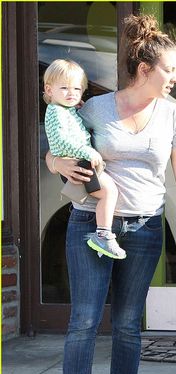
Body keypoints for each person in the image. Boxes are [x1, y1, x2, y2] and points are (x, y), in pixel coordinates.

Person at [45, 14, 176, 374]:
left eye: (175, 70)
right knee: (83, 320)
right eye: (168, 70)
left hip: (145, 227)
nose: (174, 78)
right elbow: (60, 144)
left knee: (129, 324)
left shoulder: (173, 117)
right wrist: (55, 162)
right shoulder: (95, 108)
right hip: (90, 225)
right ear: (144, 70)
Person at [43, 59, 126, 259]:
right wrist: (88, 152)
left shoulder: (64, 110)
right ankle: (103, 234)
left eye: (77, 89)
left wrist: (75, 110)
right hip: (76, 163)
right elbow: (61, 140)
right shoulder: (55, 112)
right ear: (49, 89)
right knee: (109, 191)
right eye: (64, 88)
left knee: (107, 191)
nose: (71, 93)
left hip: (78, 162)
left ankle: (103, 234)